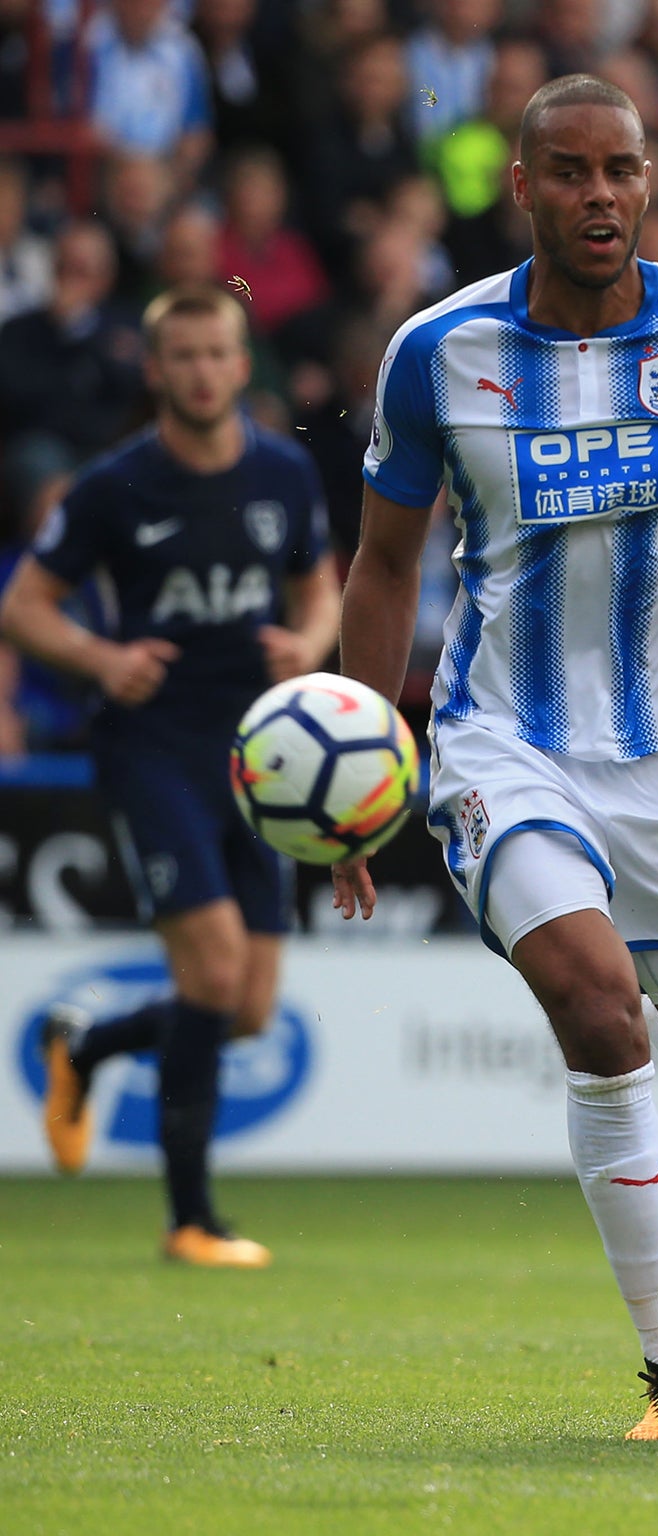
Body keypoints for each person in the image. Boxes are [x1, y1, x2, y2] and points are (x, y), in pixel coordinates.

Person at [331, 74, 658, 1443]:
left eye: (623, 171)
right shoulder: (438, 351)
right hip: (505, 747)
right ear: (523, 186)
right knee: (601, 1016)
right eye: (571, 172)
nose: (600, 196)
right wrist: (370, 761)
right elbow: (385, 565)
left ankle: (629, 926)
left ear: (650, 182)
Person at [0, 284, 338, 1266]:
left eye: (216, 354)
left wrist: (308, 642)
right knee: (216, 970)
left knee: (248, 1008)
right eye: (180, 357)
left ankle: (91, 1047)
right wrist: (102, 662)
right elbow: (24, 605)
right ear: (155, 372)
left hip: (263, 755)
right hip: (152, 748)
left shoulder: (283, 472)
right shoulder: (113, 486)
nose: (200, 371)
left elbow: (320, 585)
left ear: (241, 365)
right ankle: (191, 1219)